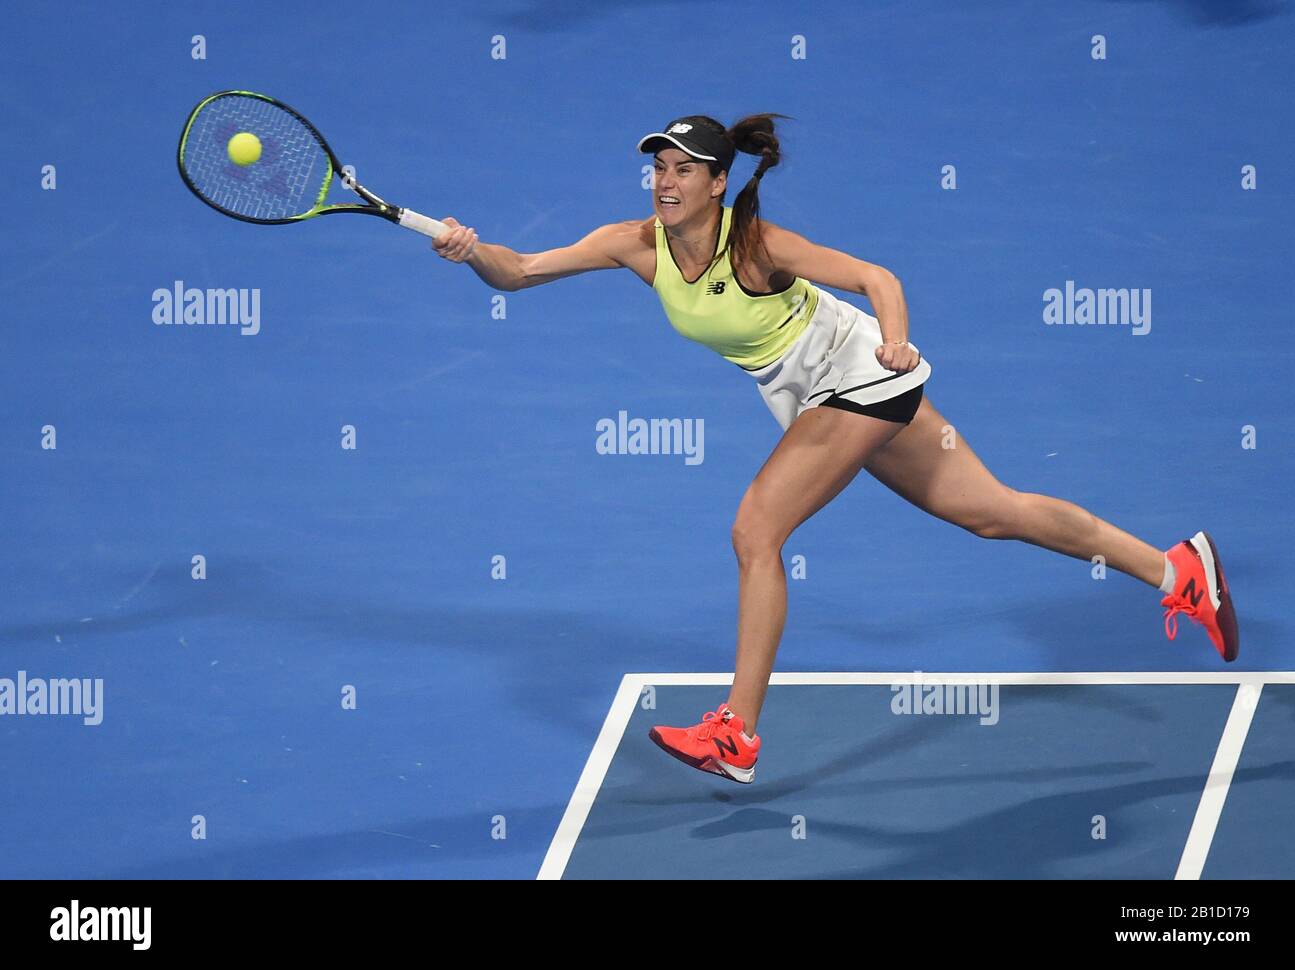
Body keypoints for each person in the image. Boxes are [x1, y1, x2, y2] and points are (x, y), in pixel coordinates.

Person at [429, 114, 1238, 784]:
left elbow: (876, 276)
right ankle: (1177, 570)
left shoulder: (757, 244)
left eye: (686, 169)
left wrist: (895, 343)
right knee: (994, 514)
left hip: (863, 375)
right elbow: (524, 270)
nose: (666, 181)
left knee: (756, 530)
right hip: (817, 396)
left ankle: (737, 732)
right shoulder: (632, 244)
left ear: (719, 182)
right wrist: (474, 254)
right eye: (659, 167)